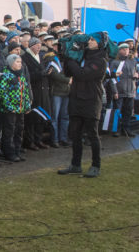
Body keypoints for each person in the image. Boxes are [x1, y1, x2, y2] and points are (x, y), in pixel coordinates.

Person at [58, 34, 107, 178]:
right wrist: (67, 55)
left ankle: (95, 165)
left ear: (99, 43)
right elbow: (68, 72)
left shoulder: (101, 60)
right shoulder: (82, 55)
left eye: (93, 40)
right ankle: (75, 165)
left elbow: (82, 74)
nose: (89, 42)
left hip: (91, 99)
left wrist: (70, 58)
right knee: (75, 134)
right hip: (76, 98)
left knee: (92, 134)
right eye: (89, 39)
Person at [0, 54, 32, 162]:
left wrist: (27, 106)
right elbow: (3, 93)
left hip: (20, 109)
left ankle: (17, 151)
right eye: (17, 62)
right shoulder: (5, 76)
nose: (20, 64)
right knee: (9, 131)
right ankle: (9, 153)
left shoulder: (21, 75)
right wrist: (9, 107)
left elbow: (25, 92)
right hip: (10, 110)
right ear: (11, 63)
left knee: (19, 130)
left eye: (20, 62)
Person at [22, 37, 51, 150]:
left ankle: (38, 140)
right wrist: (41, 73)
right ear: (31, 46)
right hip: (33, 91)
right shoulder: (25, 58)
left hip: (43, 91)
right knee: (32, 118)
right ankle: (30, 141)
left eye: (40, 44)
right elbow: (27, 76)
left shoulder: (41, 57)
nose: (39, 47)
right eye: (36, 45)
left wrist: (46, 73)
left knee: (41, 117)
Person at [44, 50, 71, 147]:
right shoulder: (51, 59)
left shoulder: (69, 59)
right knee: (54, 117)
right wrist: (68, 80)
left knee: (65, 116)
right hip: (56, 92)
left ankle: (63, 138)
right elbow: (54, 74)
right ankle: (54, 139)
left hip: (66, 92)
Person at [110, 43, 138, 137]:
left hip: (130, 90)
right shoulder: (115, 62)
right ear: (119, 50)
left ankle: (126, 128)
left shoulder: (132, 61)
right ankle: (117, 129)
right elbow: (112, 78)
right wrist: (114, 91)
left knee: (128, 111)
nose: (126, 50)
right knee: (118, 110)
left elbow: (136, 72)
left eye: (127, 49)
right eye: (124, 49)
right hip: (119, 90)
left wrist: (136, 76)